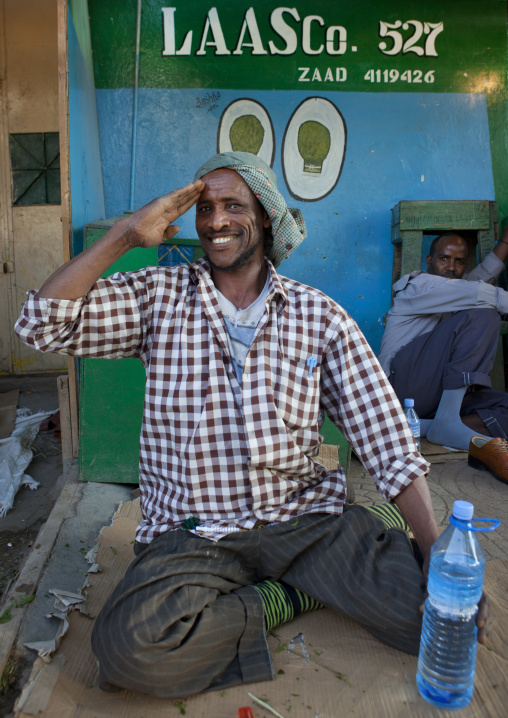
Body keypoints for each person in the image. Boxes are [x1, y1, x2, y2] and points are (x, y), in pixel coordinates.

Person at [14, 153, 487, 699]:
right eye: (206, 208)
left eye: (233, 206)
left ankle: (362, 539)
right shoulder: (158, 298)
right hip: (197, 532)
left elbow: (387, 438)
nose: (216, 222)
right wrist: (125, 233)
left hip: (303, 521)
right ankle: (278, 597)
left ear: (265, 217)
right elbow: (40, 325)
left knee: (441, 622)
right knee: (129, 651)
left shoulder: (320, 317)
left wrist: (433, 549)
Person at [379, 231, 508, 451]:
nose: (451, 267)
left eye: (459, 262)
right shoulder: (421, 285)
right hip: (401, 389)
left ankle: (431, 427)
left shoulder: (457, 290)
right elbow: (486, 293)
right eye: (444, 259)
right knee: (484, 314)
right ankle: (448, 421)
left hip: (432, 397)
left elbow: (485, 273)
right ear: (429, 260)